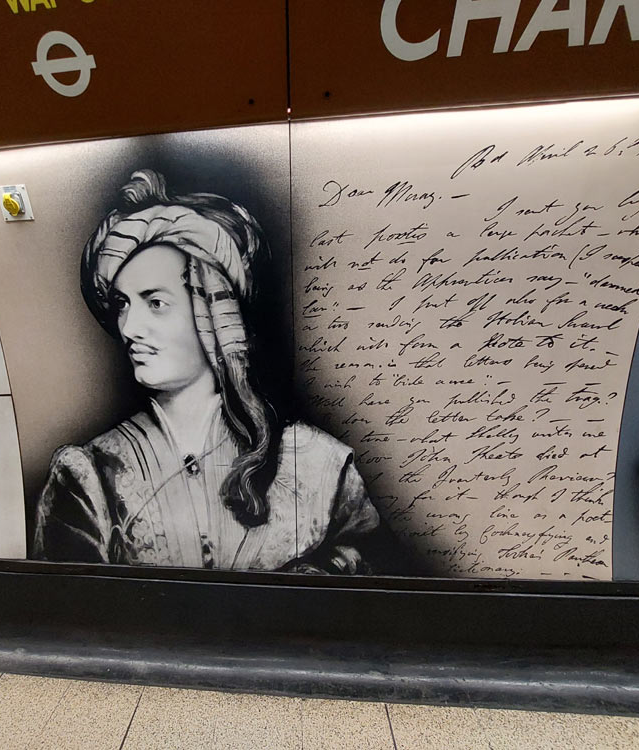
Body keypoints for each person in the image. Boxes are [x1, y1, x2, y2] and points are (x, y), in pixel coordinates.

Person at [32, 169, 386, 573]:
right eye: (122, 304)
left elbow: (368, 584)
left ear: (214, 313)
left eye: (155, 303)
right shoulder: (87, 476)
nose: (128, 329)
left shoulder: (321, 464)